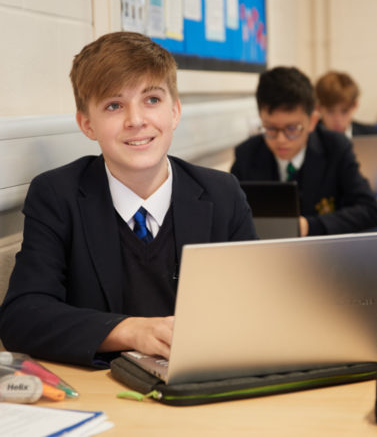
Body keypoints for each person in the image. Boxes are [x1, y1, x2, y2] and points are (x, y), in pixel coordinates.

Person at [0, 32, 257, 367]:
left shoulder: (223, 194)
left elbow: (254, 308)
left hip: (200, 388)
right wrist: (130, 330)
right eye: (114, 105)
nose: (136, 120)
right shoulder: (57, 196)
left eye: (152, 99)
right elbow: (22, 317)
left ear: (175, 112)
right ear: (87, 124)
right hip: (104, 396)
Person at [230, 66, 377, 237]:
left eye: (292, 128)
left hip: (324, 256)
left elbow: (370, 211)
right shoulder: (246, 155)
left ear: (313, 121)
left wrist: (309, 226)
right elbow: (229, 217)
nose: (281, 139)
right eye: (270, 128)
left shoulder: (336, 148)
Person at [314, 70, 377, 137]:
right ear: (318, 107)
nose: (337, 119)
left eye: (344, 111)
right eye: (330, 111)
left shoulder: (370, 135)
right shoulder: (308, 137)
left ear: (355, 105)